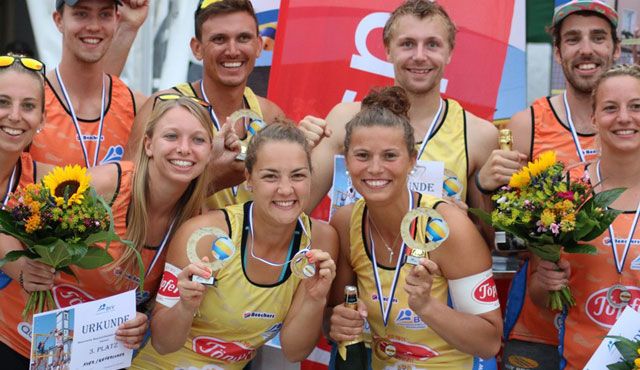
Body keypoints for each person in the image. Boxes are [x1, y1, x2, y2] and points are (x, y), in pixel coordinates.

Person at [0, 55, 218, 367]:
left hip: (89, 356)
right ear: (148, 144)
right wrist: (20, 266)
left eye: (198, 140)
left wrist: (141, 323)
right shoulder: (107, 186)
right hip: (19, 341)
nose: (184, 148)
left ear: (211, 151)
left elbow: (161, 320)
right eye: (171, 136)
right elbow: (13, 218)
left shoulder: (198, 225)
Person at [474, 2, 621, 367]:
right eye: (573, 39)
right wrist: (483, 186)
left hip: (619, 322)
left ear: (616, 49)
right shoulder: (527, 125)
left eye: (598, 37)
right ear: (558, 52)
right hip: (538, 325)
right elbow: (503, 239)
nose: (586, 49)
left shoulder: (631, 124)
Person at [130, 123, 338, 369]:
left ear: (311, 177)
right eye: (270, 176)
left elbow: (294, 351)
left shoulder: (321, 240)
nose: (285, 189)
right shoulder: (206, 235)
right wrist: (185, 307)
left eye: (298, 175)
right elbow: (164, 343)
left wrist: (315, 299)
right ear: (249, 179)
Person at [327, 86, 502, 369]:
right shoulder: (346, 223)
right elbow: (334, 315)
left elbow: (489, 342)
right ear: (346, 161)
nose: (374, 168)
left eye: (389, 156)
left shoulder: (446, 227)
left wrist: (428, 307)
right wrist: (336, 322)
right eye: (362, 156)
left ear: (412, 160)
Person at [300, 0, 498, 214]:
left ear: (449, 52)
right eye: (407, 44)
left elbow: (488, 240)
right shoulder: (344, 119)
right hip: (354, 247)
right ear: (387, 50)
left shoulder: (478, 135)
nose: (420, 56)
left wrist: (462, 222)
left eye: (432, 44)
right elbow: (297, 209)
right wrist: (298, 154)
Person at [529, 64, 640, 369]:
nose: (624, 118)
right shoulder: (566, 191)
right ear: (593, 118)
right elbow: (538, 296)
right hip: (580, 361)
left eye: (636, 106)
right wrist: (546, 282)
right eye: (610, 108)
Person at [125, 0, 286, 210]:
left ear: (258, 45)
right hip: (181, 242)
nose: (232, 50)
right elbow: (128, 200)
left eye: (243, 38)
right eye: (219, 39)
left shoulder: (269, 115)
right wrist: (212, 179)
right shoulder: (162, 107)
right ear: (197, 48)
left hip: (252, 242)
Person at [28, 0, 147, 168]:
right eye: (81, 14)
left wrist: (129, 25)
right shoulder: (30, 102)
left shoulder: (137, 107)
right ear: (59, 20)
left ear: (116, 19)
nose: (94, 26)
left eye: (105, 15)